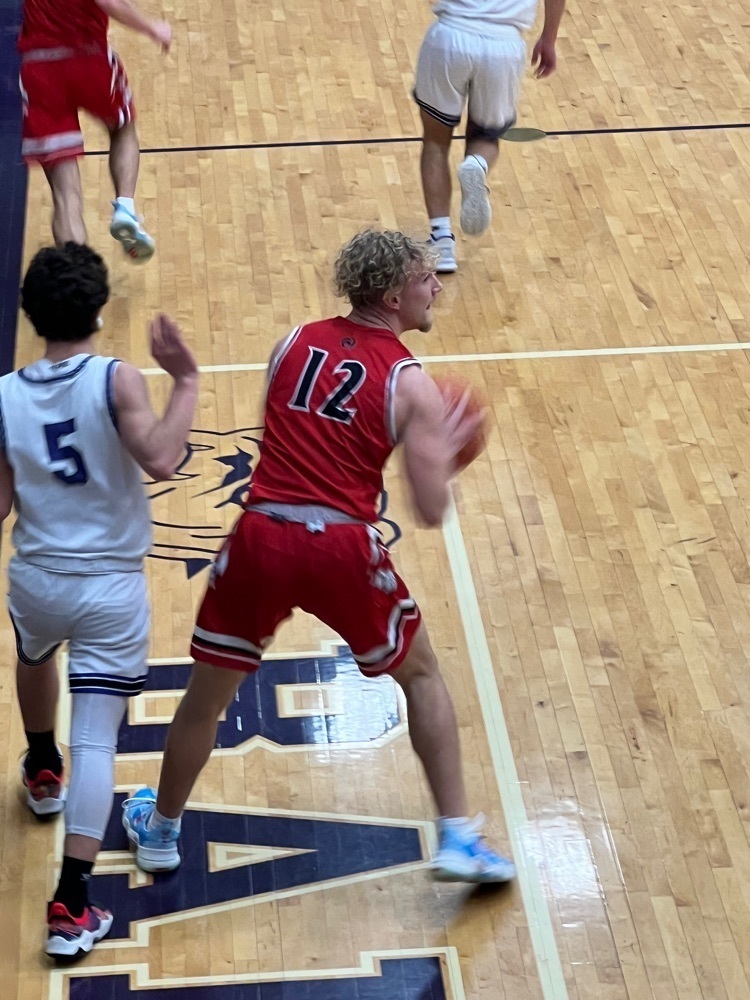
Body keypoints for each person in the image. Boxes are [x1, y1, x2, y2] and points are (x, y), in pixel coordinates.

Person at [122, 229, 516, 886]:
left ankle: (160, 833)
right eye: (427, 279)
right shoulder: (412, 384)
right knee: (421, 675)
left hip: (261, 535)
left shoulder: (290, 342)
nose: (437, 287)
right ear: (393, 294)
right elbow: (427, 508)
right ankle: (458, 839)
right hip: (340, 543)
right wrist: (445, 451)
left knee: (205, 698)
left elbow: (280, 441)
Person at [0, 243, 199, 958]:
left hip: (38, 579)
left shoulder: (3, 393)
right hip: (110, 586)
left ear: (30, 315)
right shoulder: (115, 378)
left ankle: (40, 764)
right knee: (99, 739)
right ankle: (70, 903)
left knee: (33, 649)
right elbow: (162, 456)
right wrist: (185, 383)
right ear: (99, 309)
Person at [414, 0, 566, 272]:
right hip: (503, 47)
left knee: (436, 142)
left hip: (450, 36)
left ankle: (441, 243)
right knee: (485, 137)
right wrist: (549, 38)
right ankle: (477, 165)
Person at [18, 0, 172, 260]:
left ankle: (77, 280)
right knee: (122, 127)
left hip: (40, 69)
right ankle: (125, 208)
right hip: (88, 57)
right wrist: (151, 28)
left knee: (65, 195)